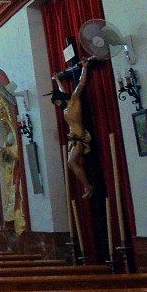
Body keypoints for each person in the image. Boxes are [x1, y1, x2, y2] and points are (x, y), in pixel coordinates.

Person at [51, 58, 94, 199]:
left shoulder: (74, 101)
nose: (57, 104)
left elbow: (81, 84)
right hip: (73, 138)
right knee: (70, 164)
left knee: (71, 162)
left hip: (80, 137)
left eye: (57, 101)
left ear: (61, 99)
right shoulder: (65, 107)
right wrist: (57, 79)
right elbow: (62, 90)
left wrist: (85, 67)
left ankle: (88, 186)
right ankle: (87, 185)